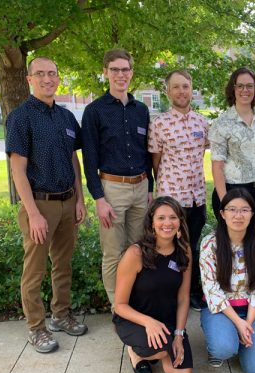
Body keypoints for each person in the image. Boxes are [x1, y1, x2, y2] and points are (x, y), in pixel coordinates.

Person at [6, 57, 88, 353]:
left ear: (58, 78)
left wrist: (80, 199)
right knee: (35, 271)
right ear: (29, 79)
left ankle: (61, 315)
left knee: (63, 265)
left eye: (52, 73)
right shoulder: (21, 117)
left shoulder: (66, 117)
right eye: (40, 74)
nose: (47, 79)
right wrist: (33, 214)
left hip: (68, 202)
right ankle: (36, 328)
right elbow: (18, 169)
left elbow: (73, 160)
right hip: (39, 205)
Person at [81, 48, 153, 307]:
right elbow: (89, 160)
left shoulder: (141, 110)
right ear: (105, 73)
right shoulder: (94, 111)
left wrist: (150, 188)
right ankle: (118, 308)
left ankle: (136, 303)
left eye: (125, 69)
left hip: (141, 187)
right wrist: (99, 199)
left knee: (139, 250)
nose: (120, 75)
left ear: (131, 73)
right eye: (115, 70)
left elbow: (147, 153)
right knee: (113, 253)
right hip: (112, 189)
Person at [112, 197, 192, 373]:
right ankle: (136, 352)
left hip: (167, 322)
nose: (167, 223)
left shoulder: (184, 250)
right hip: (135, 320)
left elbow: (183, 297)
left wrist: (179, 334)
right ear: (152, 222)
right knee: (164, 347)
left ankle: (163, 351)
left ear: (180, 221)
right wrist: (148, 322)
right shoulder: (135, 254)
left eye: (173, 217)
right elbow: (120, 305)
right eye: (161, 218)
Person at [149, 70, 209, 312]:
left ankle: (191, 293)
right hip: (172, 200)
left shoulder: (202, 122)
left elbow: (203, 153)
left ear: (191, 89)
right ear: (168, 91)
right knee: (166, 247)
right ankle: (166, 294)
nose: (181, 91)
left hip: (197, 198)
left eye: (185, 86)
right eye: (176, 87)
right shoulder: (159, 123)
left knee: (191, 247)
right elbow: (156, 161)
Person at [199, 188, 255, 373]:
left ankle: (237, 337)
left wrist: (246, 322)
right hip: (220, 309)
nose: (238, 215)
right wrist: (238, 324)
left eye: (244, 210)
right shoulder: (210, 244)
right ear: (222, 214)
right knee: (223, 348)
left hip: (250, 310)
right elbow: (211, 289)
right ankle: (222, 340)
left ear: (252, 213)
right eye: (232, 209)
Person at [209, 67, 255, 229]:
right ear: (233, 88)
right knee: (233, 243)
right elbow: (217, 166)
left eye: (249, 86)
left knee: (252, 243)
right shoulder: (222, 123)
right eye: (240, 86)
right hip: (233, 192)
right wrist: (226, 202)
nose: (245, 90)